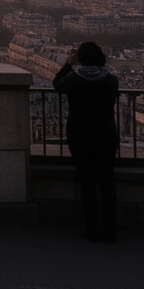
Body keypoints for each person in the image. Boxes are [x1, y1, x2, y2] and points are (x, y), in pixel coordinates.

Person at [53, 41, 120, 242]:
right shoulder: (111, 81)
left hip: (80, 134)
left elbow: (57, 84)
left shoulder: (74, 80)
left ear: (80, 58)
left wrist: (68, 63)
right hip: (106, 135)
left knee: (87, 183)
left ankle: (92, 228)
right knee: (107, 183)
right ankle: (110, 230)